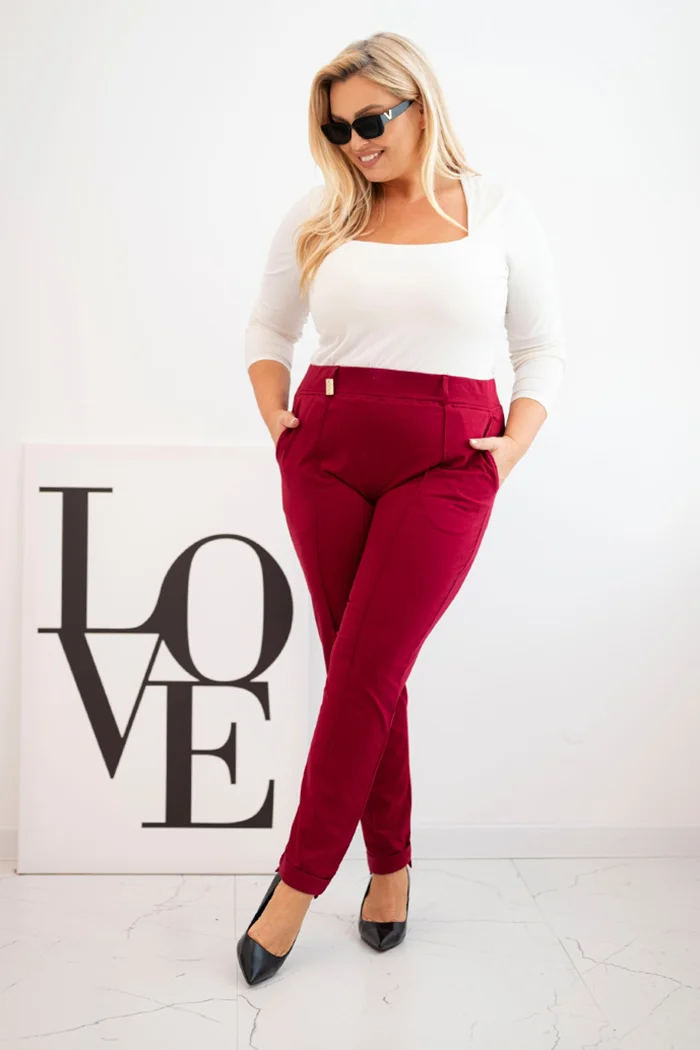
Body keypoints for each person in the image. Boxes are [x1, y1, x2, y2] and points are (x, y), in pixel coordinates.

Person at [238, 30, 566, 985]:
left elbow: (541, 348)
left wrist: (513, 446)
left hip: (450, 458)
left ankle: (296, 886)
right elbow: (268, 327)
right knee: (364, 671)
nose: (357, 142)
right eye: (339, 129)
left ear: (422, 105)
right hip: (327, 452)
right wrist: (277, 420)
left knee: (367, 668)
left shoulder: (496, 210)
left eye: (373, 120)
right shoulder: (322, 212)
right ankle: (389, 869)